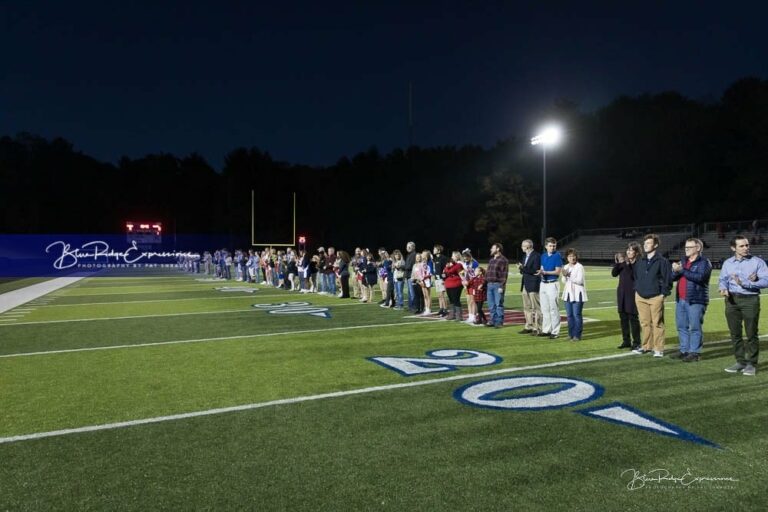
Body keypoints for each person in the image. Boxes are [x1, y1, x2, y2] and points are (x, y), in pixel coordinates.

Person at [719, 236, 768, 376]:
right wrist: (723, 288)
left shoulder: (757, 262)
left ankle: (751, 364)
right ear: (733, 248)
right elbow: (723, 279)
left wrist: (746, 284)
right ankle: (740, 361)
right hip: (731, 300)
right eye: (741, 246)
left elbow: (766, 281)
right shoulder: (728, 263)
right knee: (735, 333)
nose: (746, 248)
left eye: (747, 245)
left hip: (750, 299)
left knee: (751, 333)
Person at [670, 238, 712, 362]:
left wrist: (682, 270)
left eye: (689, 247)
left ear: (698, 248)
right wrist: (674, 270)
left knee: (695, 327)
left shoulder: (704, 262)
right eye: (685, 247)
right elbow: (672, 278)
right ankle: (684, 350)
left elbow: (700, 278)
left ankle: (695, 353)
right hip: (681, 299)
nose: (686, 249)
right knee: (681, 326)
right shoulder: (684, 261)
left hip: (696, 300)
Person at [632, 234, 672, 357]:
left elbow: (667, 279)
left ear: (655, 245)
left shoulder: (662, 261)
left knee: (657, 324)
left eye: (649, 243)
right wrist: (637, 289)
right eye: (645, 243)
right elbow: (636, 276)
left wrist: (663, 294)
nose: (645, 245)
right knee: (644, 323)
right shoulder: (640, 261)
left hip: (655, 297)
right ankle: (646, 346)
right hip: (640, 296)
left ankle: (658, 349)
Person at [612, 242, 642, 350]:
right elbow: (614, 273)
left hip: (632, 294)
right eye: (628, 250)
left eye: (631, 250)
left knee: (633, 319)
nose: (628, 252)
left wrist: (625, 264)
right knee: (623, 318)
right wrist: (618, 263)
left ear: (637, 252)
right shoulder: (624, 263)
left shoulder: (638, 264)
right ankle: (626, 340)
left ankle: (637, 342)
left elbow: (633, 276)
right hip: (622, 294)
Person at [537, 237, 562, 339]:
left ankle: (555, 331)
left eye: (554, 246)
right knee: (544, 308)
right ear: (546, 246)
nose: (552, 247)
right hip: (543, 283)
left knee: (553, 308)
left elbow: (557, 271)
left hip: (553, 284)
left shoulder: (557, 256)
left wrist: (545, 272)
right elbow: (542, 268)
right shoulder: (543, 256)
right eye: (550, 246)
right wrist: (540, 273)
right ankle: (546, 329)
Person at [561, 248, 588, 341]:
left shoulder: (579, 266)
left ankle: (577, 335)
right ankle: (570, 334)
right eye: (570, 256)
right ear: (567, 258)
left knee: (577, 314)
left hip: (578, 293)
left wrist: (569, 275)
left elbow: (580, 281)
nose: (572, 258)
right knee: (569, 315)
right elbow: (563, 281)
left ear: (576, 257)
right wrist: (564, 276)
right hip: (568, 293)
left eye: (573, 256)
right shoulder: (565, 267)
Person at [518, 239, 542, 335]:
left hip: (533, 284)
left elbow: (535, 270)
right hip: (525, 284)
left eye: (523, 246)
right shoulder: (525, 256)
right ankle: (529, 326)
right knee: (526, 307)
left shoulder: (536, 256)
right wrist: (521, 268)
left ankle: (538, 328)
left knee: (536, 307)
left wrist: (523, 268)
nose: (521, 247)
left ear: (527, 246)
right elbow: (525, 271)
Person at [485, 242, 509, 328]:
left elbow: (504, 274)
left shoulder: (503, 260)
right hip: (489, 284)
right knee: (491, 304)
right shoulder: (491, 260)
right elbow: (487, 273)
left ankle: (499, 321)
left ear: (498, 249)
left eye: (492, 248)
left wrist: (501, 286)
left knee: (498, 304)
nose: (491, 249)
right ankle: (492, 320)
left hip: (497, 284)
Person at [443, 251, 465, 321]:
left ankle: (459, 315)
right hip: (448, 284)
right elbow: (444, 274)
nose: (451, 257)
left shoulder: (458, 265)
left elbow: (462, 274)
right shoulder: (448, 265)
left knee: (456, 300)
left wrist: (464, 283)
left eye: (453, 256)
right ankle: (452, 314)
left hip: (456, 284)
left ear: (457, 257)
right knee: (451, 300)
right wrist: (446, 268)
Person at [433, 244, 449, 317]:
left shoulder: (443, 258)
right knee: (439, 295)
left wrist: (443, 278)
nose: (433, 250)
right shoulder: (435, 258)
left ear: (438, 250)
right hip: (436, 279)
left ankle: (445, 309)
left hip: (441, 279)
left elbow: (446, 269)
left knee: (442, 295)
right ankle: (441, 308)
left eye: (435, 249)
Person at [404, 242, 417, 311]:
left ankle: (413, 306)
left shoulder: (414, 255)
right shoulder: (409, 255)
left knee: (412, 292)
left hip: (411, 276)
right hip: (408, 275)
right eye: (407, 247)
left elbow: (409, 266)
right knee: (409, 292)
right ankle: (410, 306)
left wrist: (403, 266)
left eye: (409, 247)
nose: (408, 248)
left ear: (413, 247)